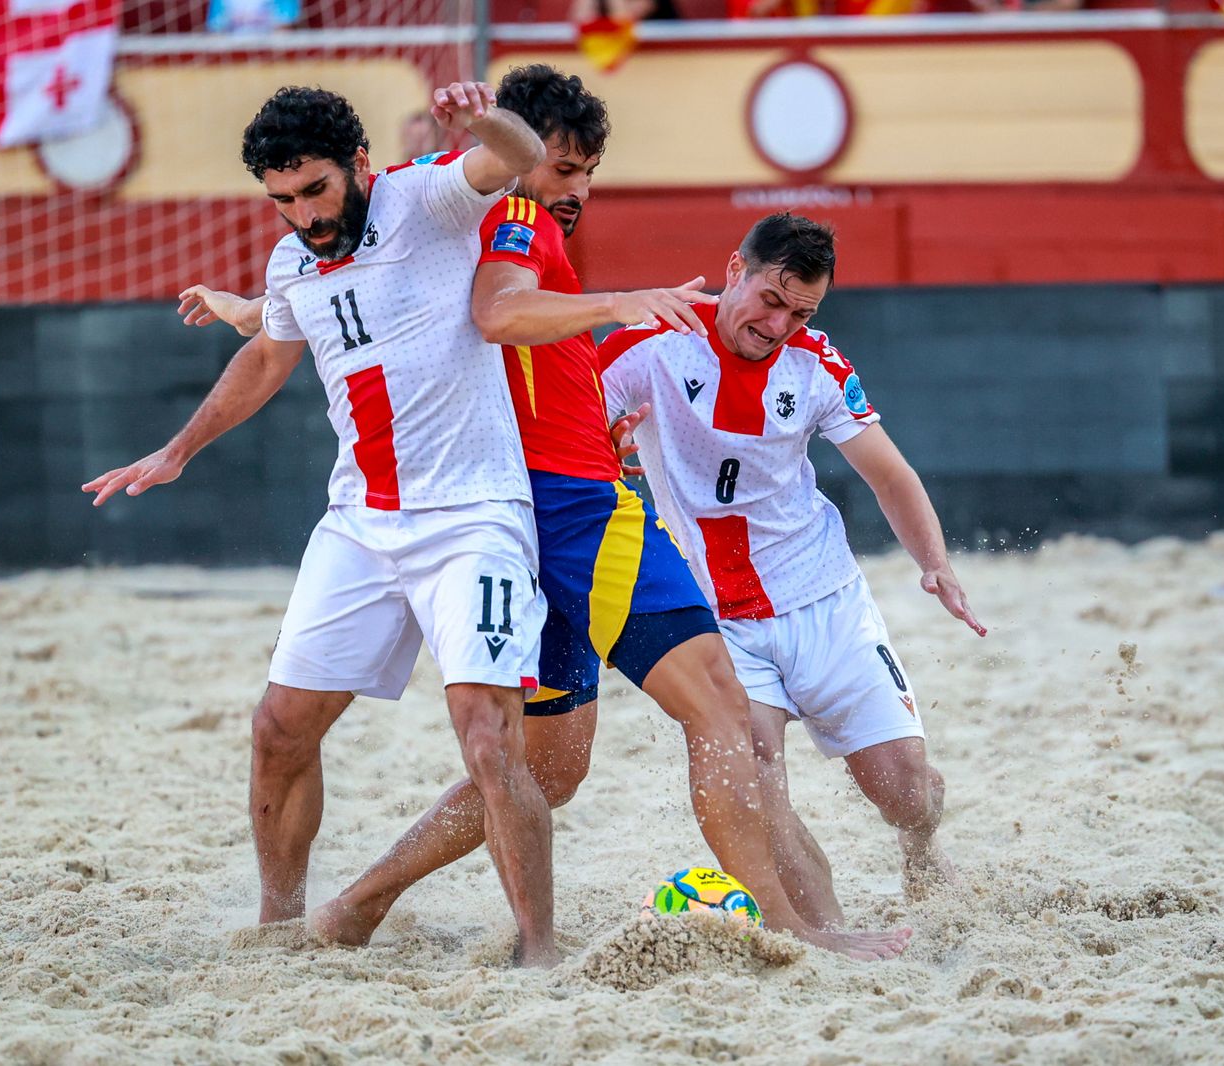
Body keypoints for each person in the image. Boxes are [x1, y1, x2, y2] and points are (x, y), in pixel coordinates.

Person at [178, 65, 911, 962]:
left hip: (507, 508)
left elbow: (337, 292)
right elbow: (499, 311)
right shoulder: (510, 213)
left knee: (543, 769)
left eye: (587, 171)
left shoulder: (431, 224)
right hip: (568, 505)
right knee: (718, 710)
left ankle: (355, 904)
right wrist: (616, 304)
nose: (577, 191)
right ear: (519, 158)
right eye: (564, 167)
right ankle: (800, 933)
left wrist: (247, 311)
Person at [81, 82, 571, 965]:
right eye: (282, 200)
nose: (303, 216)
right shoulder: (290, 263)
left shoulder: (428, 198)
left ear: (359, 165)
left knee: (491, 739)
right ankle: (280, 928)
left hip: (474, 516)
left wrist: (479, 119)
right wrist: (178, 450)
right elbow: (267, 353)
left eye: (314, 191)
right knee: (277, 729)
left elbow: (521, 156)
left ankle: (537, 953)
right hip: (361, 521)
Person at [599, 212, 985, 916]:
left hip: (822, 595)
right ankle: (827, 935)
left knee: (907, 794)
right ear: (733, 270)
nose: (778, 324)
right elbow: (574, 439)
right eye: (770, 300)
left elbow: (890, 476)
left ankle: (922, 850)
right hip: (715, 612)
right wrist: (606, 449)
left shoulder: (818, 365)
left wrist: (936, 563)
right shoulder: (648, 344)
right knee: (755, 776)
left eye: (799, 311)